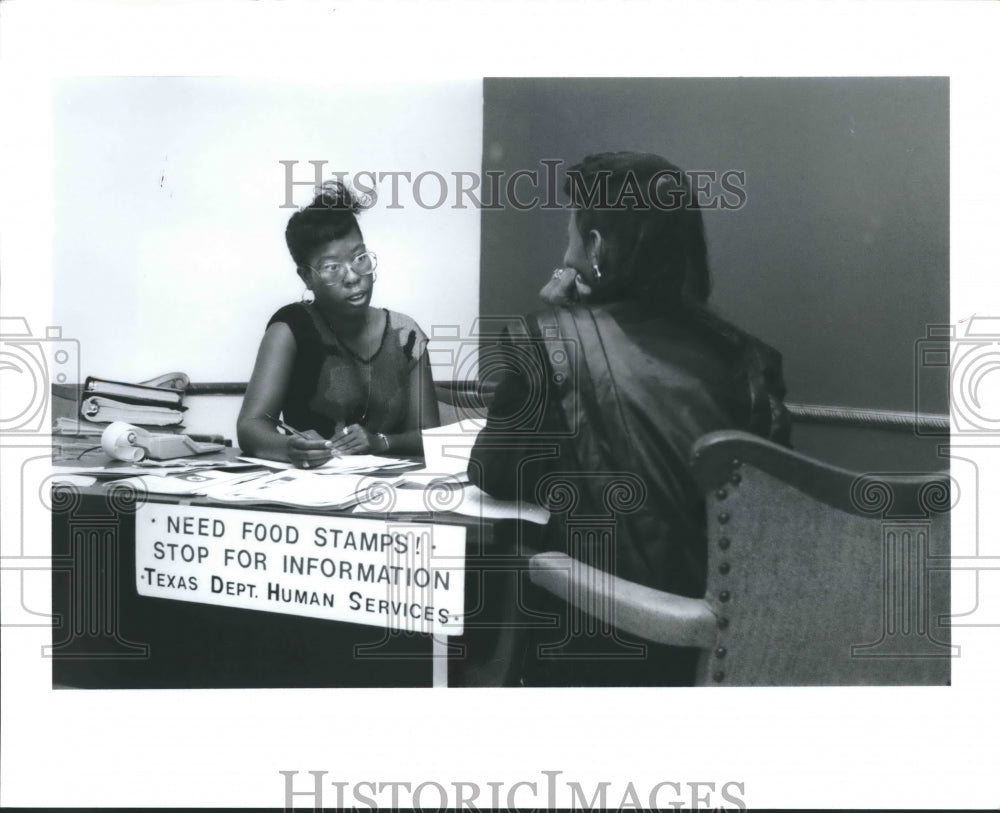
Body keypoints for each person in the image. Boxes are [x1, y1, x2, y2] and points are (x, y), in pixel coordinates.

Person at [468, 151, 790, 686]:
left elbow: (493, 472)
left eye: (571, 228)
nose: (565, 248)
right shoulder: (751, 360)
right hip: (728, 650)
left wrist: (558, 320)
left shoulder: (547, 341)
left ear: (594, 247)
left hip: (599, 641)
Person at [238, 182, 440, 468]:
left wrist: (380, 442)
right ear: (307, 278)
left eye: (359, 258)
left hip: (392, 491)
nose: (353, 276)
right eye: (332, 267)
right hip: (313, 491)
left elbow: (430, 438)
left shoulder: (406, 335)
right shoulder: (291, 329)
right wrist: (289, 448)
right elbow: (250, 426)